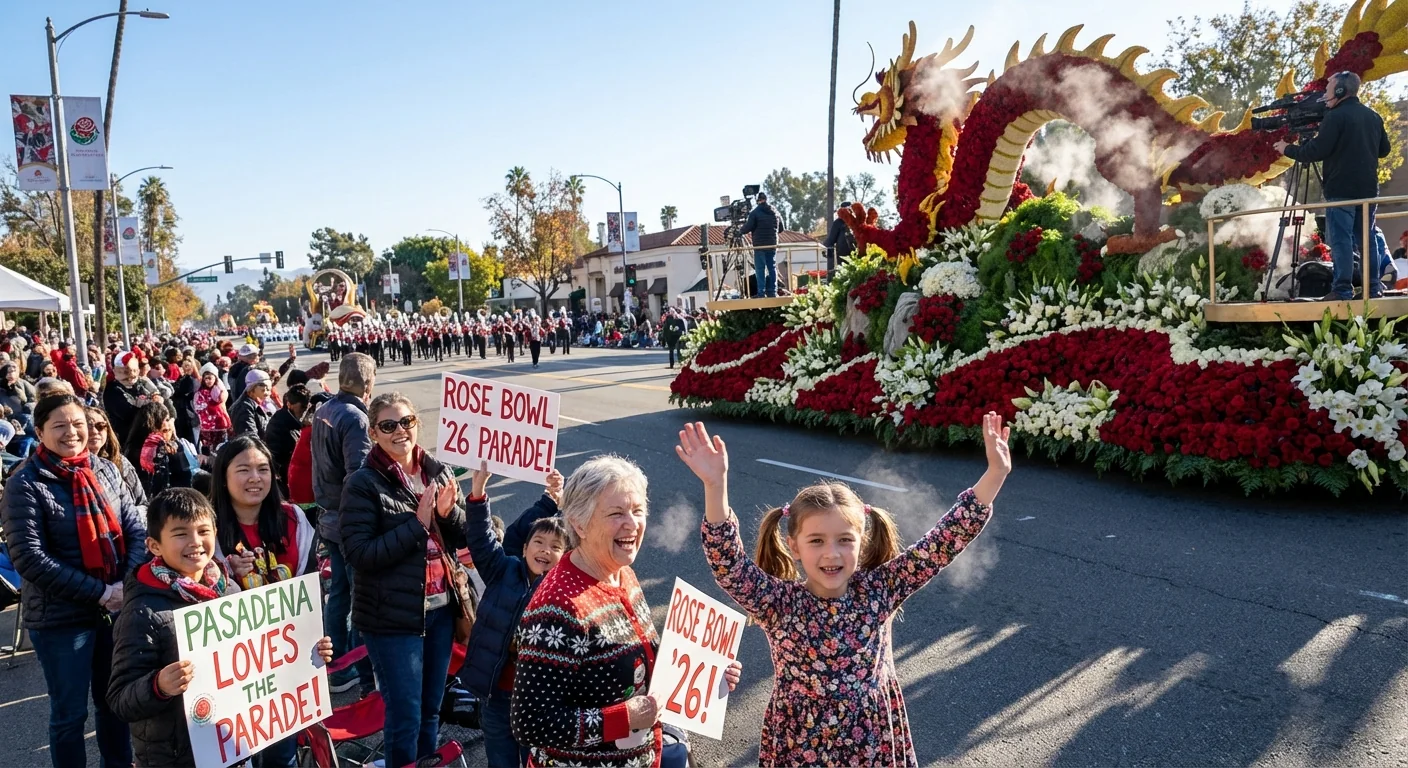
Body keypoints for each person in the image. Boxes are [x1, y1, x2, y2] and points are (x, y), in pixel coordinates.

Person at [675, 415, 1010, 766]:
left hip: (872, 740)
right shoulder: (780, 602)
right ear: (793, 545)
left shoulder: (879, 589)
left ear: (862, 542)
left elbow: (942, 543)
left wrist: (995, 475)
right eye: (816, 541)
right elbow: (728, 565)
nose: (831, 553)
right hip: (801, 740)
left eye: (845, 540)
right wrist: (716, 486)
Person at [511, 455, 742, 768]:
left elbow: (639, 661)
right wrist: (625, 717)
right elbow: (531, 722)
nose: (632, 524)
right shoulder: (558, 608)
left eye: (637, 511)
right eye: (616, 513)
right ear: (579, 523)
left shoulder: (620, 572)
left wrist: (709, 674)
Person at [107, 488, 333, 767]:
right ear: (154, 545)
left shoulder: (227, 589)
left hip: (233, 746)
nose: (195, 542)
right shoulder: (142, 612)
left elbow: (260, 658)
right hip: (176, 757)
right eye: (180, 534)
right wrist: (159, 685)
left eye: (203, 531)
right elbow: (119, 699)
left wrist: (305, 652)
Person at [2, 394, 145, 768]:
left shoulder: (105, 469)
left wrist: (123, 588)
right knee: (69, 716)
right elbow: (30, 559)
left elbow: (135, 528)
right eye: (59, 426)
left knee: (114, 703)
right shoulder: (26, 483)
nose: (72, 433)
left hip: (116, 610)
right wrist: (101, 593)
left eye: (78, 424)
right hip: (61, 620)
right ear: (39, 432)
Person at [340, 392, 468, 767]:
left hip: (440, 610)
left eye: (407, 422)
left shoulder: (436, 469)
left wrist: (448, 516)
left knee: (431, 707)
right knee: (405, 714)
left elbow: (460, 538)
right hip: (391, 618)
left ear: (417, 423)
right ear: (374, 432)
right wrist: (417, 525)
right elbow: (359, 554)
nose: (400, 431)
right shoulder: (363, 483)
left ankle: (425, 762)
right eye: (388, 425)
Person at [460, 463, 565, 768]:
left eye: (555, 547)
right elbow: (480, 540)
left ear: (565, 556)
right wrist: (478, 493)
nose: (545, 550)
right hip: (496, 696)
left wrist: (553, 498)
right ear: (524, 547)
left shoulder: (562, 592)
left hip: (538, 703)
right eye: (538, 542)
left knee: (535, 761)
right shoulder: (503, 569)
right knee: (501, 761)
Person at [1275, 71, 1391, 300]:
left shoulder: (1335, 117)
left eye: (1328, 89)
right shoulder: (1373, 116)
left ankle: (1342, 290)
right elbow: (1384, 150)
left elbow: (1316, 151)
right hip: (1368, 191)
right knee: (1366, 239)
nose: (1324, 94)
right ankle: (1373, 288)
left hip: (1341, 191)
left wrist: (1287, 149)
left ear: (1340, 91)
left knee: (1341, 241)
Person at [312, 352, 377, 694]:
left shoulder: (324, 409)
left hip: (330, 515)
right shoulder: (355, 418)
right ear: (368, 384)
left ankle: (336, 668)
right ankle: (355, 666)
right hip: (349, 521)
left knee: (338, 593)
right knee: (360, 596)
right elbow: (359, 476)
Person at [125, 402, 197, 498]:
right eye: (164, 428)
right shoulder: (139, 451)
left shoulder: (173, 446)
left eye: (168, 420)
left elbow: (184, 479)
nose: (168, 425)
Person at [87, 405, 146, 507]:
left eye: (100, 426)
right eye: (87, 427)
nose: (94, 431)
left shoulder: (120, 461)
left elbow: (142, 503)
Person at [264, 383, 311, 498]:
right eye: (302, 407)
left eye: (307, 407)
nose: (304, 411)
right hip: (285, 479)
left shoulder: (295, 421)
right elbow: (278, 457)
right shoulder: (279, 424)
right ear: (289, 404)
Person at [105, 351, 156, 445]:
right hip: (126, 439)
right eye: (126, 370)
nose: (131, 374)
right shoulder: (112, 389)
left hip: (142, 435)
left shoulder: (136, 384)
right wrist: (146, 405)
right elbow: (128, 413)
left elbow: (155, 393)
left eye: (134, 370)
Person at [740, 191, 783, 298]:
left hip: (759, 246)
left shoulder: (755, 212)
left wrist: (739, 231)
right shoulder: (775, 212)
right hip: (772, 244)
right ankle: (773, 291)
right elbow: (781, 228)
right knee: (772, 267)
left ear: (758, 201)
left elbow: (748, 227)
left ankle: (761, 293)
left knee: (760, 269)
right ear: (766, 199)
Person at [194, 362, 232, 453]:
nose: (208, 381)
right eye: (206, 378)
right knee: (207, 449)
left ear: (215, 378)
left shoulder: (219, 390)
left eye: (210, 378)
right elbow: (197, 407)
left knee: (221, 448)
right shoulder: (200, 393)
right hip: (207, 426)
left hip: (221, 424)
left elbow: (222, 401)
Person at [229, 369, 274, 439]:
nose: (267, 392)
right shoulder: (244, 407)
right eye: (263, 389)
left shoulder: (261, 403)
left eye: (268, 389)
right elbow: (249, 437)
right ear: (252, 388)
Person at [171, 359, 200, 447]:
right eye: (184, 366)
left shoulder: (190, 380)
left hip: (186, 409)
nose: (184, 368)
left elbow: (185, 392)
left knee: (190, 435)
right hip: (181, 409)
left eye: (187, 366)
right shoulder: (182, 378)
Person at [822, 200, 857, 272]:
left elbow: (831, 240)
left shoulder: (856, 221)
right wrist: (827, 250)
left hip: (855, 254)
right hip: (843, 256)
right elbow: (831, 240)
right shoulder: (838, 223)